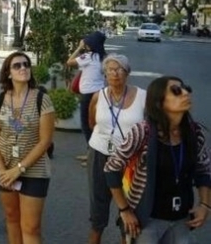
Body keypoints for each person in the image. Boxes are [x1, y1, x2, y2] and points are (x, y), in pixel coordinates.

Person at [105, 76, 211, 243]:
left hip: (181, 219)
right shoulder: (143, 132)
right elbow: (112, 168)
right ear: (159, 103)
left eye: (186, 88)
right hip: (147, 219)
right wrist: (124, 210)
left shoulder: (193, 132)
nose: (185, 93)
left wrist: (205, 205)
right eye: (176, 91)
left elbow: (203, 170)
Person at [0, 52, 55, 244]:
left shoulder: (42, 99)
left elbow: (45, 141)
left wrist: (19, 169)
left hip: (33, 170)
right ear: (8, 73)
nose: (23, 68)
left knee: (31, 227)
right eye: (17, 65)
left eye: (26, 64)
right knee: (11, 218)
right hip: (4, 169)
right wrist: (2, 169)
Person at [86, 54, 145, 244]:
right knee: (98, 206)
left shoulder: (143, 97)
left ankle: (125, 237)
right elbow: (91, 122)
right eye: (110, 69)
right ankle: (96, 234)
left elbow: (150, 128)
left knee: (129, 207)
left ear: (127, 72)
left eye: (119, 69)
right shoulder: (98, 96)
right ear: (105, 73)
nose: (114, 73)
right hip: (100, 154)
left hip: (130, 159)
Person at [67, 31, 107, 166]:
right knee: (95, 124)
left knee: (86, 125)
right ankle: (91, 153)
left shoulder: (89, 56)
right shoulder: (103, 57)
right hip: (100, 93)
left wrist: (78, 48)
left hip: (89, 94)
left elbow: (69, 62)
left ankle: (92, 156)